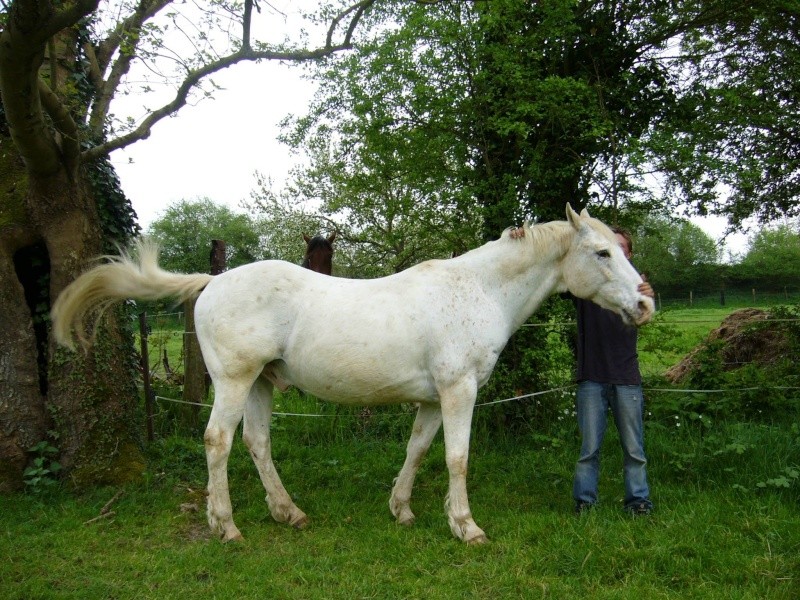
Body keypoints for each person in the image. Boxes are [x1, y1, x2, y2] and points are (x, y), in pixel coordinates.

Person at [571, 227, 654, 516]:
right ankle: (585, 501)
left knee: (634, 449)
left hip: (626, 379)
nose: (616, 250)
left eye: (621, 247)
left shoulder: (637, 286)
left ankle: (638, 501)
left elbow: (646, 316)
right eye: (611, 247)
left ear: (628, 254)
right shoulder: (589, 281)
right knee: (589, 449)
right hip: (591, 377)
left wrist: (650, 296)